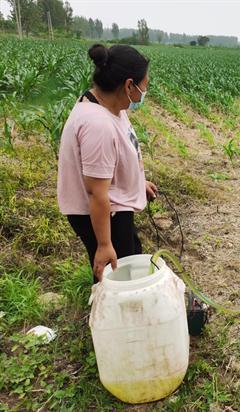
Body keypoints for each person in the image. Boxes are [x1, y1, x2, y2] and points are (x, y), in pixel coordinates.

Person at [57, 44, 158, 282]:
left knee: (130, 256)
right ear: (128, 85)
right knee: (116, 274)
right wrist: (104, 244)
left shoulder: (108, 104)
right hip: (103, 212)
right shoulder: (97, 125)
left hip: (113, 205)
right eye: (145, 85)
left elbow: (113, 160)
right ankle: (110, 316)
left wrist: (137, 181)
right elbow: (96, 192)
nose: (145, 92)